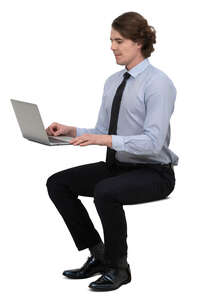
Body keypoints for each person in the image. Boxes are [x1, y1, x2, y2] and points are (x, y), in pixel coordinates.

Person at [46, 11, 179, 292]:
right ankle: (98, 254)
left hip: (154, 172)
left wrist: (104, 141)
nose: (112, 47)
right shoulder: (112, 82)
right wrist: (70, 130)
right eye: (111, 40)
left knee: (106, 191)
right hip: (118, 166)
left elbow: (153, 142)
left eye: (119, 41)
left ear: (139, 42)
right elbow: (102, 129)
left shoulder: (159, 84)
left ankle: (119, 267)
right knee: (57, 183)